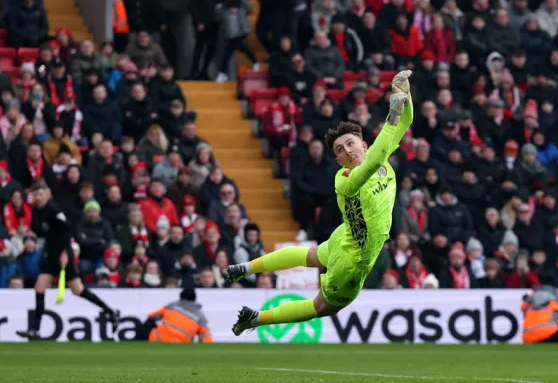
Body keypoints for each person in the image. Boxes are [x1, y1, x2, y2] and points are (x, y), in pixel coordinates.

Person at [226, 71, 414, 334]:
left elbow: (404, 124)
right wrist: (393, 110)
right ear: (338, 161)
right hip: (354, 260)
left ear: (363, 144)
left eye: (350, 144)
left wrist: (404, 95)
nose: (347, 151)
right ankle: (255, 319)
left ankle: (243, 268)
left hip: (344, 238)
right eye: (340, 150)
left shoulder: (377, 156)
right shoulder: (345, 180)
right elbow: (379, 153)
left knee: (310, 256)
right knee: (322, 307)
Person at [16, 180, 120, 340]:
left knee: (77, 290)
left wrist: (65, 253)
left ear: (47, 193)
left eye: (40, 193)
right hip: (50, 253)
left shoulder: (53, 208)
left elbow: (66, 231)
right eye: (35, 194)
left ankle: (110, 312)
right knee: (40, 288)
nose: (38, 197)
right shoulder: (36, 210)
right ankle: (35, 330)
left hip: (63, 252)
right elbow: (41, 231)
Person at [140, 288, 212, 343]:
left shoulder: (172, 306)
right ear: (194, 299)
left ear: (180, 296)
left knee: (149, 322)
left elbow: (151, 316)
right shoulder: (200, 316)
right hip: (181, 346)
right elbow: (206, 337)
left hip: (157, 340)